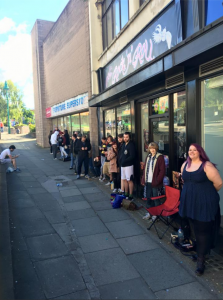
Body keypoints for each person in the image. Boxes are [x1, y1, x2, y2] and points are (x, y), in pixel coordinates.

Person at [179, 143, 222, 276]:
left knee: (202, 231)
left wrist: (206, 195)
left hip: (204, 203)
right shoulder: (185, 164)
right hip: (190, 203)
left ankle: (201, 261)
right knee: (196, 228)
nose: (191, 152)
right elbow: (183, 179)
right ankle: (201, 252)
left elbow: (219, 183)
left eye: (195, 150)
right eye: (190, 150)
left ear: (200, 152)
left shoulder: (206, 165)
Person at [141, 142, 166, 220]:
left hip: (155, 182)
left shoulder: (160, 157)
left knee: (156, 198)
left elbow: (162, 171)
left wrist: (157, 180)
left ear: (156, 148)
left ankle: (156, 214)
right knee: (148, 198)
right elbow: (145, 169)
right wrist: (143, 179)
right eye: (151, 148)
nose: (152, 150)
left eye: (154, 148)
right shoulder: (148, 157)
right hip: (148, 181)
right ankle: (150, 212)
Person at [120, 132, 136, 200]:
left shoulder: (131, 145)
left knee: (129, 180)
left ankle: (131, 195)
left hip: (128, 165)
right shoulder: (123, 144)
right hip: (122, 165)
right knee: (125, 180)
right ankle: (126, 193)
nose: (125, 138)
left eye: (126, 137)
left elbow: (132, 156)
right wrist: (120, 161)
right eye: (124, 137)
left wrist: (125, 161)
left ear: (129, 137)